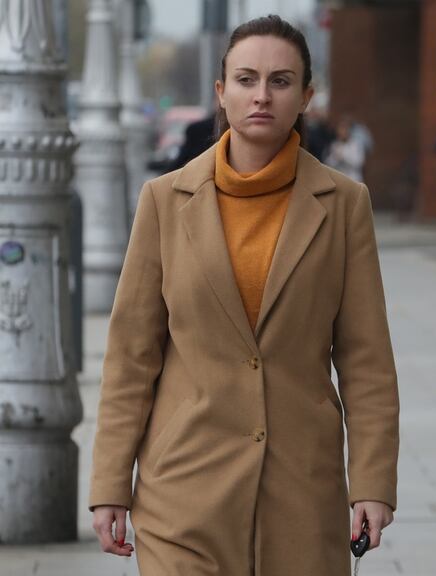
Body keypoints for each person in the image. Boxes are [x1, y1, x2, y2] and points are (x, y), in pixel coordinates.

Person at [89, 15, 399, 575]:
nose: (262, 95)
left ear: (306, 96)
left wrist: (373, 484)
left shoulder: (345, 204)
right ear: (221, 91)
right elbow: (132, 357)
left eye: (281, 81)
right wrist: (110, 481)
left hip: (301, 493)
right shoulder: (164, 200)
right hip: (182, 492)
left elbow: (366, 360)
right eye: (246, 79)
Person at [325, 115, 367, 182]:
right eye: (340, 129)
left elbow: (359, 163)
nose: (342, 132)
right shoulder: (335, 145)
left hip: (354, 180)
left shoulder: (355, 144)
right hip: (340, 181)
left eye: (344, 129)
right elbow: (328, 164)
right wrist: (335, 157)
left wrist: (343, 157)